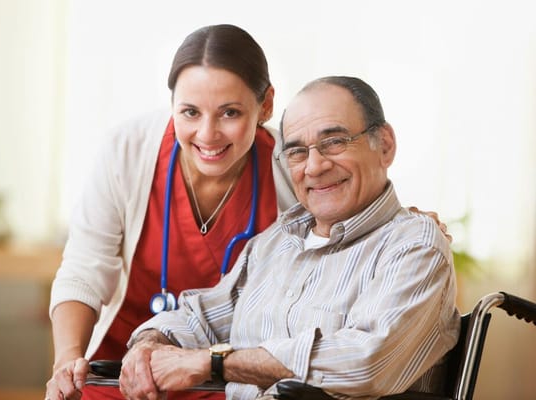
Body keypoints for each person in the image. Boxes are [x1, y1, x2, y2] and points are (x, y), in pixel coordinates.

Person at [46, 23, 448, 400]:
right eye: (189, 112)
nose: (207, 133)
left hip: (218, 377)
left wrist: (212, 361)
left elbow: (355, 205)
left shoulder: (399, 239)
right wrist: (149, 343)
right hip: (140, 366)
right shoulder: (282, 240)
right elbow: (196, 312)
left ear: (265, 106)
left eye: (230, 112)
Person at [119, 76, 460, 400]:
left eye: (334, 142)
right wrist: (150, 342)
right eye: (297, 151)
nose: (314, 166)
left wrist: (216, 362)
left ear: (384, 146)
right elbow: (200, 318)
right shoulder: (275, 244)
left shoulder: (414, 245)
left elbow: (365, 361)